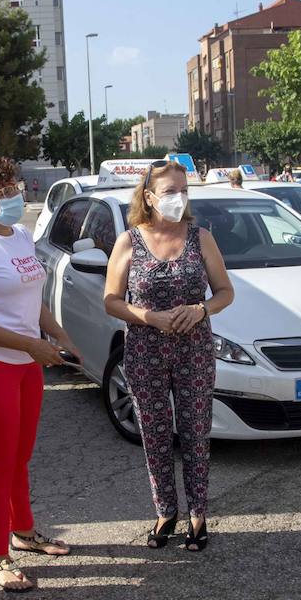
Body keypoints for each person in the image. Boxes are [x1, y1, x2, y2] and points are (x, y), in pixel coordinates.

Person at [0, 155, 82, 591]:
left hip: (27, 363)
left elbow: (34, 303)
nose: (14, 196)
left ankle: (23, 532)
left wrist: (61, 337)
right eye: (3, 193)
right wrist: (30, 345)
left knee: (19, 455)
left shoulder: (21, 235)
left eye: (15, 187)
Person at [103, 160, 234, 551]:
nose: (179, 197)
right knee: (156, 435)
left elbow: (225, 292)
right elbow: (111, 301)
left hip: (194, 350)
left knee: (195, 433)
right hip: (145, 351)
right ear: (149, 197)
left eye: (183, 190)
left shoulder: (201, 238)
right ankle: (165, 511)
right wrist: (149, 317)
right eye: (170, 191)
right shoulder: (129, 241)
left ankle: (198, 513)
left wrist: (201, 309)